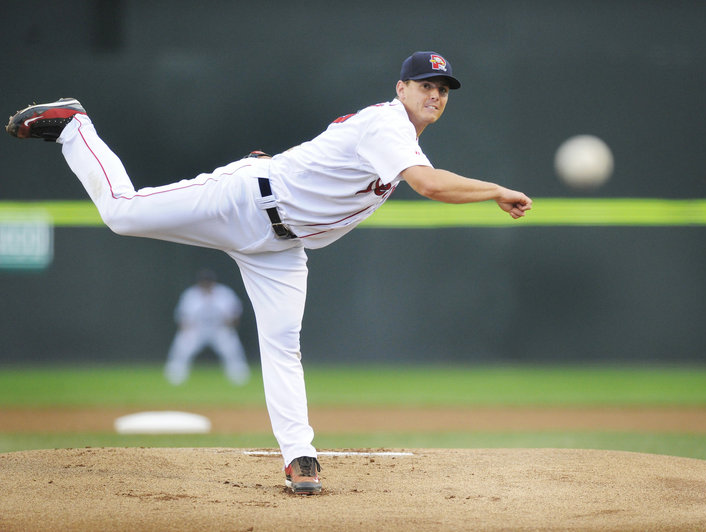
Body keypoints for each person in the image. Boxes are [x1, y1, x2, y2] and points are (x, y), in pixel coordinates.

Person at [6, 51, 533, 495]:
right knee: (123, 213)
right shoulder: (389, 124)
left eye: (443, 88)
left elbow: (326, 159)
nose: (435, 94)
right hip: (245, 201)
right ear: (401, 88)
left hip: (280, 248)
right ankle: (75, 126)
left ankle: (299, 457)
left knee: (283, 343)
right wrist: (495, 189)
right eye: (425, 84)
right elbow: (430, 186)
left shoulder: (397, 136)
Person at [164, 268, 251, 386]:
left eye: (208, 282)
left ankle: (239, 379)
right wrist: (186, 332)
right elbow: (183, 317)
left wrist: (230, 325)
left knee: (232, 350)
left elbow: (234, 314)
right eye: (204, 282)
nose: (206, 284)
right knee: (182, 346)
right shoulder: (191, 295)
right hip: (197, 329)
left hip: (219, 329)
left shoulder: (224, 293)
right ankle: (175, 377)